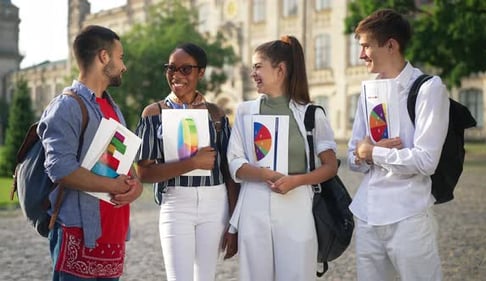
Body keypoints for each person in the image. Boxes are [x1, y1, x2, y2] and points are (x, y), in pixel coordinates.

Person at [226, 35, 338, 281]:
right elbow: (234, 162)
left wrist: (296, 181)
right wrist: (264, 174)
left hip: (297, 206)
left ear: (280, 70)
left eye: (257, 66)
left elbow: (330, 166)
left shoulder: (311, 114)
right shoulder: (245, 111)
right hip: (254, 207)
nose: (252, 73)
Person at [348, 9, 449, 281]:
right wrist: (362, 154)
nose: (361, 55)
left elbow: (426, 161)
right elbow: (351, 156)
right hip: (369, 215)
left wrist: (373, 152)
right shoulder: (368, 91)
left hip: (409, 216)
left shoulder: (429, 89)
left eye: (366, 46)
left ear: (391, 45)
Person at [38, 25, 143, 280]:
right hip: (79, 234)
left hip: (113, 237)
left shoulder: (113, 108)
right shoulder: (67, 106)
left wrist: (135, 187)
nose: (124, 66)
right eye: (121, 57)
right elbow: (60, 169)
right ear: (103, 57)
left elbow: (126, 168)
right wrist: (113, 185)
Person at [135, 42, 239, 281]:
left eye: (185, 69)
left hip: (216, 203)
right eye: (171, 68)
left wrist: (234, 222)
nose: (176, 75)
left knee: (205, 277)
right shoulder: (154, 113)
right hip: (175, 202)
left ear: (200, 72)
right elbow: (144, 173)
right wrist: (192, 162)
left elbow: (229, 170)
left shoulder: (216, 114)